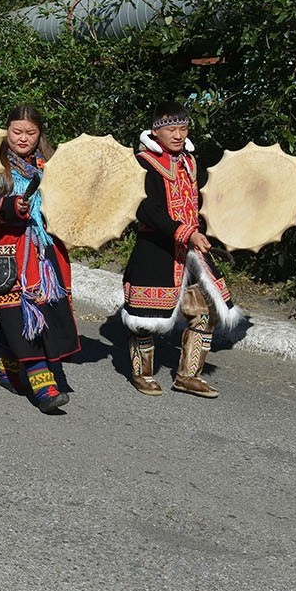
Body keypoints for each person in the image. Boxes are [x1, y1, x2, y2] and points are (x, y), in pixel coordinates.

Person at [121, 101, 243, 398]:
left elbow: (208, 200)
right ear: (155, 131)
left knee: (205, 312)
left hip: (192, 253)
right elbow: (147, 209)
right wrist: (185, 232)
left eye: (183, 128)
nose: (178, 134)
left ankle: (188, 376)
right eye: (171, 129)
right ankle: (143, 374)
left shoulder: (190, 163)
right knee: (144, 321)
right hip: (156, 251)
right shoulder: (143, 164)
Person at [0, 106, 78, 413]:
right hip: (7, 249)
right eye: (17, 132)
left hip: (44, 251)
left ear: (39, 134)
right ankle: (42, 384)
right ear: (7, 132)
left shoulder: (50, 165)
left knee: (35, 312)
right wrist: (7, 207)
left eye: (30, 133)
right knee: (18, 313)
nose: (23, 138)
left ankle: (9, 368)